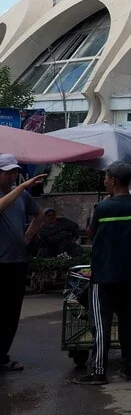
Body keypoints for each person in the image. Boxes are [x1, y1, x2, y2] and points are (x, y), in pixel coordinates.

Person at [75, 161, 131, 385]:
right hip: (129, 273)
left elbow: (90, 234)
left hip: (104, 274)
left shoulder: (103, 208)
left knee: (100, 323)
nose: (104, 181)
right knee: (128, 320)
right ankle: (130, 368)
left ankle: (98, 371)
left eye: (106, 178)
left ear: (114, 181)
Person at [0, 156, 44, 373]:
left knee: (11, 312)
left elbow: (39, 215)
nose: (12, 176)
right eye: (7, 172)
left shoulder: (23, 196)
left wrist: (26, 238)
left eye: (15, 172)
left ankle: (2, 356)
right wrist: (22, 187)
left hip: (17, 261)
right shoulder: (16, 193)